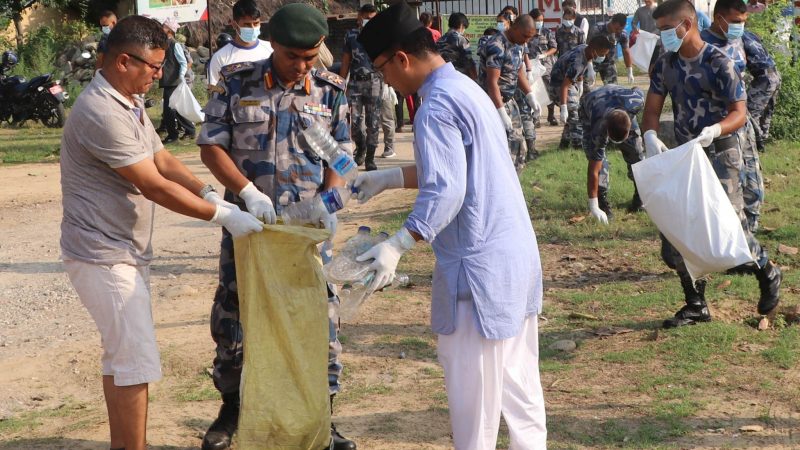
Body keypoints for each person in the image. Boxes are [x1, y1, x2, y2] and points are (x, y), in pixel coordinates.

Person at [60, 15, 262, 450]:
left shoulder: (126, 101)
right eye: (152, 67)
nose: (157, 75)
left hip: (121, 251)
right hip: (103, 254)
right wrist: (222, 216)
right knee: (136, 362)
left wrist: (213, 192)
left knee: (121, 360)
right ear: (121, 62)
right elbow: (151, 183)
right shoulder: (100, 110)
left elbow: (164, 160)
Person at [355, 3, 547, 448]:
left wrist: (398, 243)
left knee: (474, 408)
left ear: (401, 59)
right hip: (512, 261)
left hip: (477, 277)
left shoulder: (435, 106)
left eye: (383, 69)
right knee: (521, 397)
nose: (384, 79)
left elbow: (447, 190)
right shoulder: (465, 87)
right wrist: (390, 178)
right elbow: (457, 169)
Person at [197, 4, 357, 449]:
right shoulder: (237, 81)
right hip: (249, 226)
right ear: (273, 44)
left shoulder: (330, 90)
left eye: (310, 56)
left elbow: (341, 155)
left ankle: (322, 416)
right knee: (235, 313)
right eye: (292, 56)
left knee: (317, 317)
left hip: (305, 231)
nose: (301, 66)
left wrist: (328, 200)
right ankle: (232, 410)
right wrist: (246, 191)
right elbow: (212, 148)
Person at [642, 0, 781, 329]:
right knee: (679, 228)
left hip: (721, 150)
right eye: (659, 28)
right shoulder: (666, 64)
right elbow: (651, 109)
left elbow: (740, 112)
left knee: (729, 229)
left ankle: (767, 272)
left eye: (666, 28)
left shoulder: (718, 61)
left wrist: (716, 129)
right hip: (686, 154)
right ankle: (695, 303)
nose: (662, 35)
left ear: (687, 25)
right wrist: (649, 135)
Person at [700, 0, 764, 233]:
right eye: (736, 22)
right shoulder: (700, 45)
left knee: (753, 188)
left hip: (742, 125)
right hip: (715, 130)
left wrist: (751, 112)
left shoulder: (742, 41)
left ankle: (749, 238)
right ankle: (730, 241)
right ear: (719, 18)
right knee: (723, 191)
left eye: (743, 21)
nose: (740, 27)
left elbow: (768, 76)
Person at [479, 15, 542, 172]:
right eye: (524, 36)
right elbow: (492, 81)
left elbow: (518, 69)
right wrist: (500, 112)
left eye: (530, 37)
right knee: (497, 150)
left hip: (508, 101)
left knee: (518, 148)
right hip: (492, 104)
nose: (526, 41)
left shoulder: (518, 44)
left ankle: (515, 190)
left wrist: (530, 95)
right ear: (514, 28)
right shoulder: (497, 45)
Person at [580, 84, 645, 223]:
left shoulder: (636, 102)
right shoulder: (599, 126)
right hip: (591, 105)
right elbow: (593, 170)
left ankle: (640, 196)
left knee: (637, 153)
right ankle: (602, 201)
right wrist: (594, 206)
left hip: (619, 99)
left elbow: (636, 88)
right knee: (599, 161)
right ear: (607, 132)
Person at [340, 3, 385, 171]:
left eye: (372, 19)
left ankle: (370, 158)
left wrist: (387, 82)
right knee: (354, 122)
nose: (368, 21)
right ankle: (361, 146)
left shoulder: (380, 35)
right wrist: (340, 84)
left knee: (373, 122)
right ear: (359, 16)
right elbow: (345, 61)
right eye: (366, 18)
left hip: (374, 81)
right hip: (355, 82)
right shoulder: (351, 35)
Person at [549, 36, 615, 149]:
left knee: (576, 111)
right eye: (601, 54)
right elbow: (565, 85)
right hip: (559, 86)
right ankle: (578, 146)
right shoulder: (577, 62)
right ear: (593, 50)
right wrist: (564, 107)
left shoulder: (585, 48)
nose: (602, 57)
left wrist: (581, 81)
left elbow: (582, 67)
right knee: (575, 115)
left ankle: (564, 144)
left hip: (567, 82)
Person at [206, 0, 273, 89]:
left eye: (256, 23)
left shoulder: (271, 49)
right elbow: (213, 91)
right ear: (234, 25)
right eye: (247, 25)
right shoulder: (220, 58)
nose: (253, 28)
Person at [742, 30, 781, 152]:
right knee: (766, 113)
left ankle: (755, 144)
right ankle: (762, 143)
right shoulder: (749, 34)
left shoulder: (736, 38)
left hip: (763, 78)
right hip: (774, 74)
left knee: (750, 113)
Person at [158, 17, 195, 144]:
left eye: (164, 27)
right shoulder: (164, 43)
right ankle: (188, 131)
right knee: (173, 109)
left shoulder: (175, 45)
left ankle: (173, 135)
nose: (161, 29)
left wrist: (180, 77)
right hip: (168, 81)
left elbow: (184, 62)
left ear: (169, 31)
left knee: (170, 110)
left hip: (174, 82)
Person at [527, 8, 558, 126]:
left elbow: (554, 47)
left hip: (546, 66)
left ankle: (551, 115)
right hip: (531, 67)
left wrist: (545, 54)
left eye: (541, 20)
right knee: (534, 91)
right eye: (537, 20)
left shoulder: (547, 32)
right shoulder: (527, 32)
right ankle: (536, 117)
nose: (539, 22)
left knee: (549, 90)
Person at [589, 13, 636, 85]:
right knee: (586, 88)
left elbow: (626, 51)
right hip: (593, 61)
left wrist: (630, 71)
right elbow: (589, 48)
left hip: (609, 63)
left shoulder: (622, 34)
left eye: (621, 29)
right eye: (617, 28)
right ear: (611, 22)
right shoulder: (597, 29)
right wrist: (590, 68)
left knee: (613, 89)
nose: (618, 31)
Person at [436, 12, 478, 80]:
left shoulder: (440, 40)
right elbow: (469, 61)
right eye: (464, 27)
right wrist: (475, 78)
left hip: (442, 77)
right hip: (458, 77)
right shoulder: (461, 39)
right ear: (461, 25)